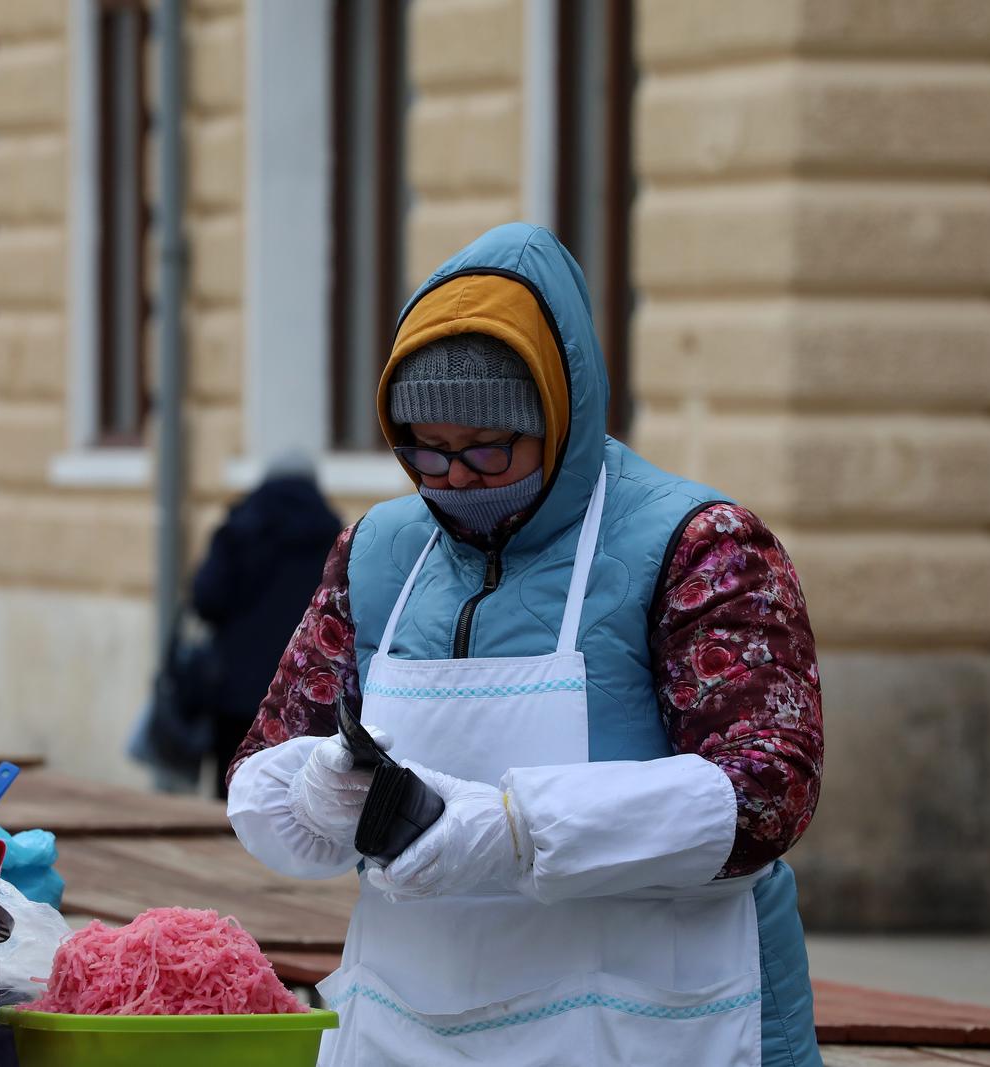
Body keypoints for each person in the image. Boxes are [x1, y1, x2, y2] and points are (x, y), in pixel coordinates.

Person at [227, 224, 824, 1065]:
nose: (456, 479)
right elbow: (264, 755)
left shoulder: (702, 547)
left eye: (488, 448)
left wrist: (515, 829)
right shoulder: (377, 554)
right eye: (426, 452)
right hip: (408, 1023)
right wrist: (314, 792)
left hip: (650, 1026)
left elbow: (769, 787)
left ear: (560, 411)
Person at [192, 452, 342, 800]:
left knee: (232, 790)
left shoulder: (239, 528)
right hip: (300, 691)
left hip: (236, 688)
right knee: (293, 795)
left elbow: (206, 599)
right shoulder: (331, 534)